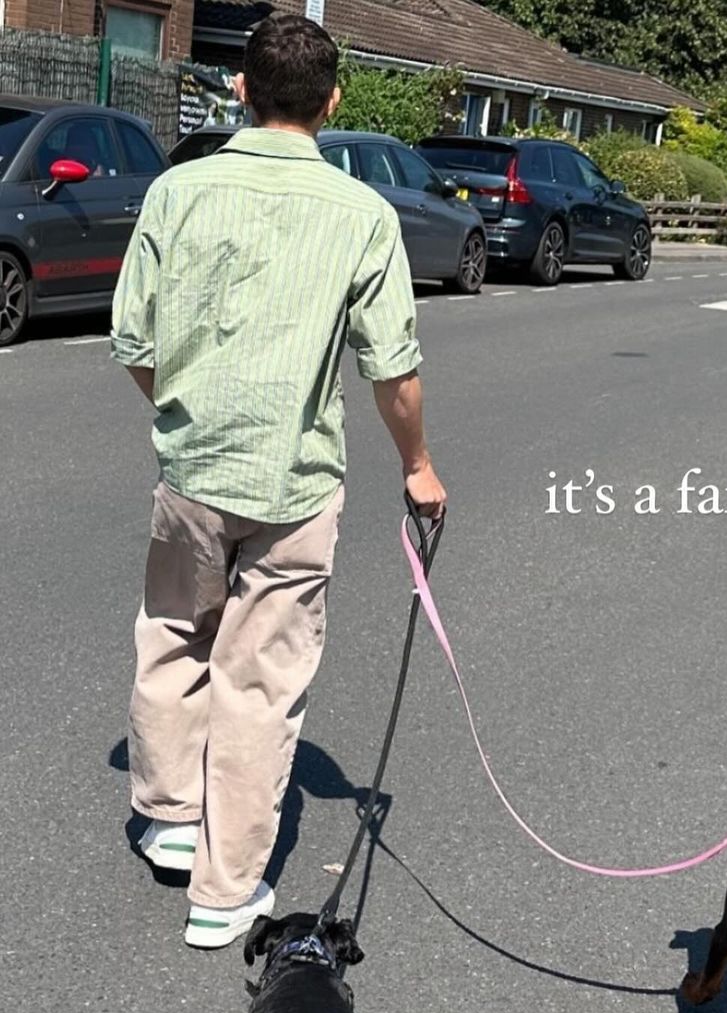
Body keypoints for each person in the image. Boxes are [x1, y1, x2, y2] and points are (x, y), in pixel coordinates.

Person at [111, 13, 446, 948]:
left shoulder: (176, 194)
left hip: (190, 464)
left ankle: (171, 815)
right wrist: (416, 466)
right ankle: (224, 891)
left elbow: (133, 338)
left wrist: (181, 401)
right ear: (332, 101)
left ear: (241, 92)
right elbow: (393, 369)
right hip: (295, 479)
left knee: (175, 635)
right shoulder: (362, 215)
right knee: (258, 681)